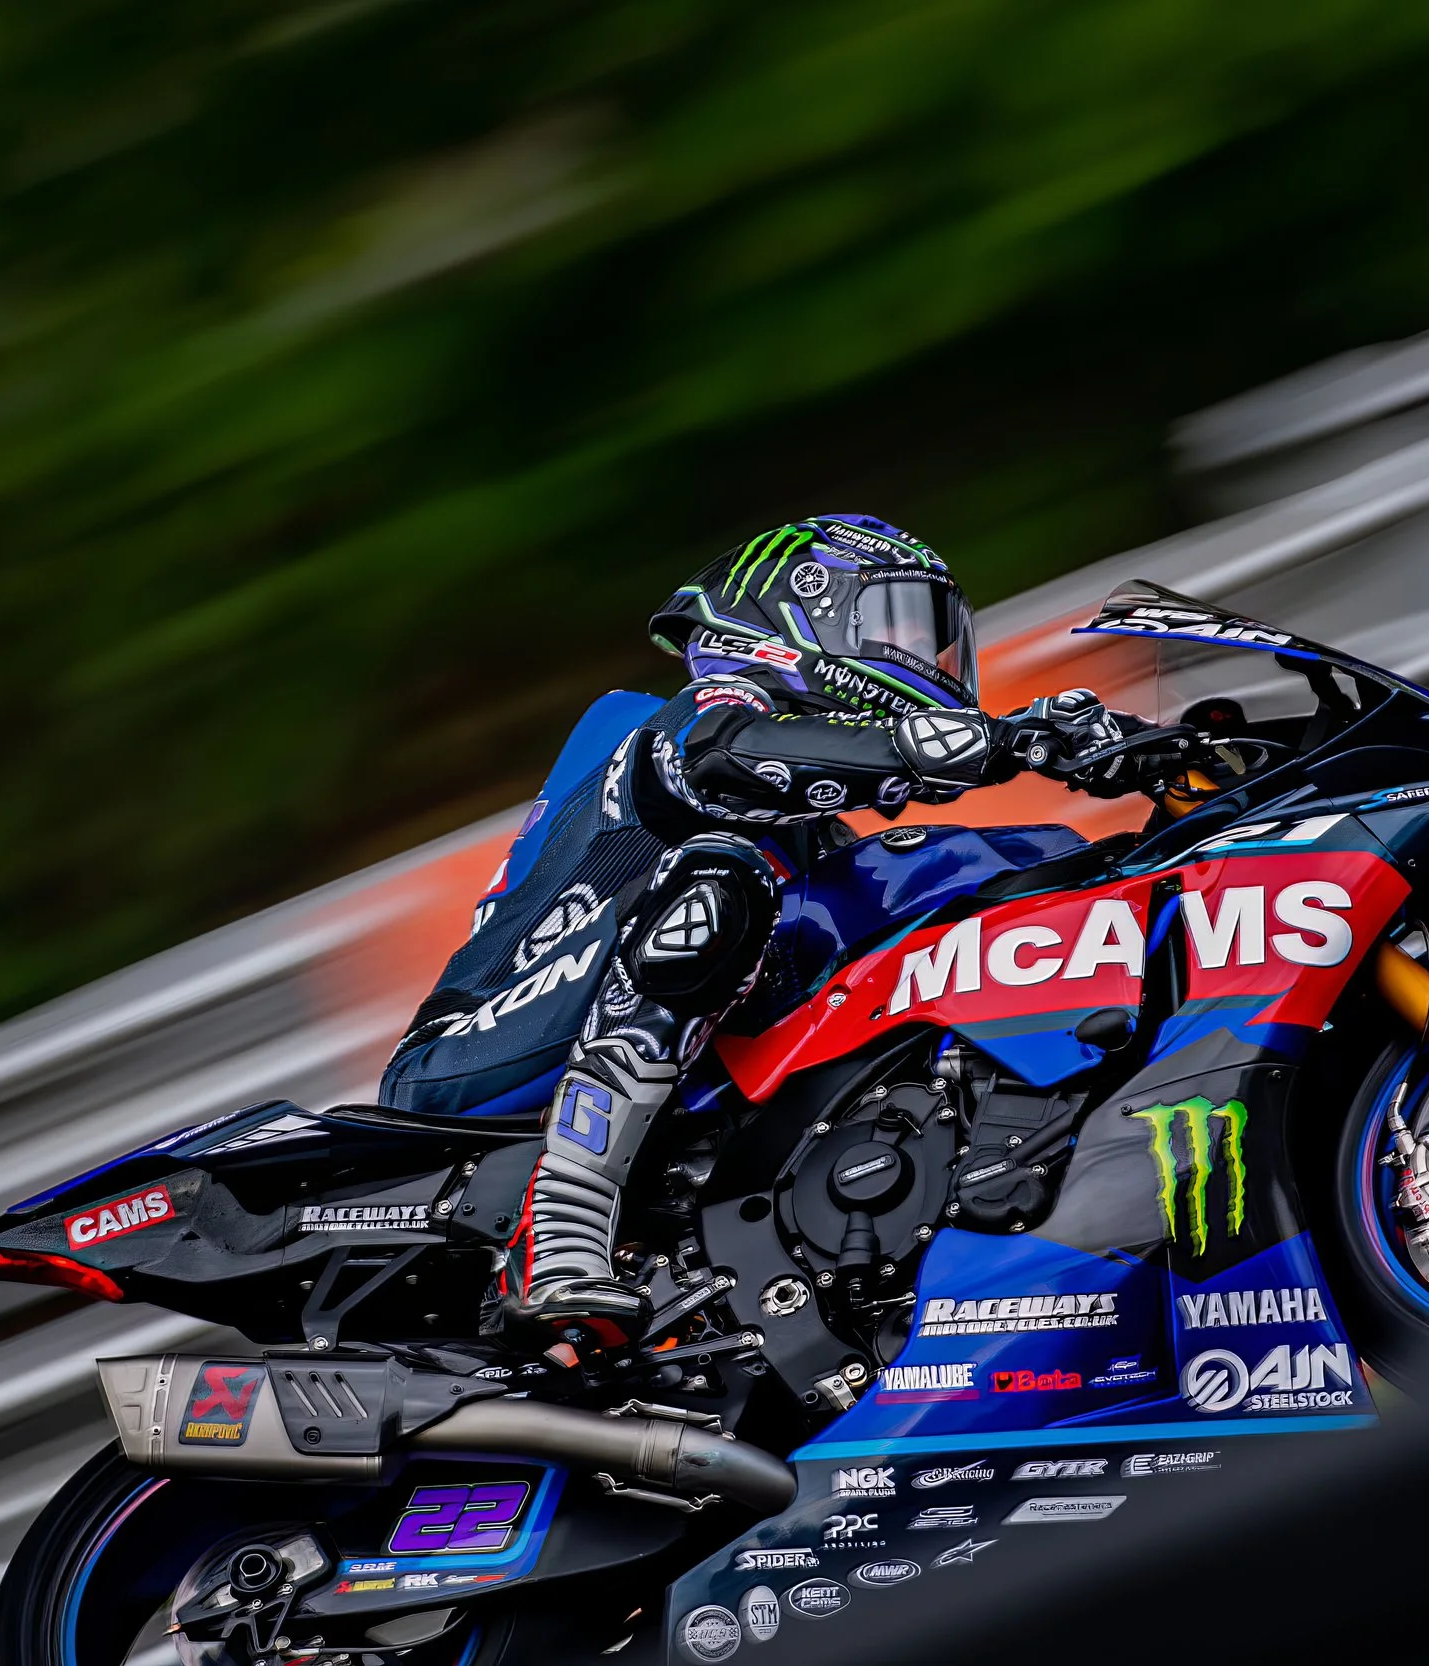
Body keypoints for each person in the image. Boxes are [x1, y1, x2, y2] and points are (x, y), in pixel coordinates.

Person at [380, 514, 1142, 1328]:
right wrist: (995, 742)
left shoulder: (804, 825)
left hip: (610, 1046)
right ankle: (562, 1230)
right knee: (725, 877)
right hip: (465, 1055)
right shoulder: (688, 723)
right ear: (803, 611)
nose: (930, 658)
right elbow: (726, 754)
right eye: (900, 624)